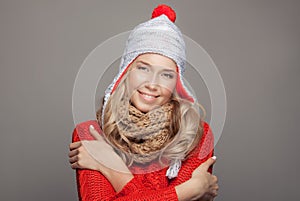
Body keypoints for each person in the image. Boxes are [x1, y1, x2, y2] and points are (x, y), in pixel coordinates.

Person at [69, 4, 219, 201]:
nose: (152, 84)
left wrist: (111, 166)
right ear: (125, 72)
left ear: (177, 84)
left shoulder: (197, 135)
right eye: (143, 69)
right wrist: (189, 191)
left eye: (166, 74)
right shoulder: (91, 134)